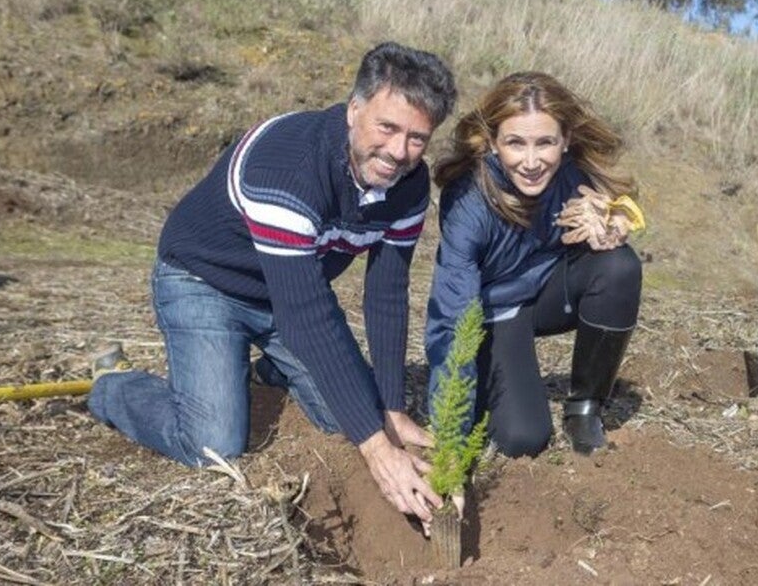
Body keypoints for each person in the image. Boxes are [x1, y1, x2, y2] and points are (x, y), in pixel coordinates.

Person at [89, 42, 458, 525]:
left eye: (417, 138)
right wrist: (377, 449)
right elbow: (304, 313)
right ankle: (113, 386)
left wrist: (390, 408)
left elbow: (386, 293)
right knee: (213, 443)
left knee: (345, 416)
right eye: (387, 127)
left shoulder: (409, 186)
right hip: (203, 281)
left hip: (283, 291)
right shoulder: (289, 167)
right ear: (354, 109)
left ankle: (270, 370)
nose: (398, 152)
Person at [424, 71, 643, 458]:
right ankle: (498, 384)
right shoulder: (468, 204)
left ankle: (585, 408)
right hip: (495, 311)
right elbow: (450, 317)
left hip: (546, 294)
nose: (531, 161)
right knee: (523, 438)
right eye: (515, 143)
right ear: (492, 143)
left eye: (545, 143)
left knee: (618, 267)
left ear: (565, 141)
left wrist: (618, 219)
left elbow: (621, 199)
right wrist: (451, 438)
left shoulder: (569, 173)